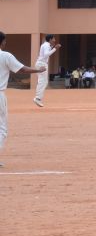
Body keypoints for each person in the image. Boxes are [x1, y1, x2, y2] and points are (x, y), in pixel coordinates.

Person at [1, 31, 47, 167]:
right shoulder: (5, 56)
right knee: (1, 128)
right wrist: (38, 70)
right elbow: (22, 70)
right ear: (2, 42)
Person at [33, 33, 61, 107]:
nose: (54, 40)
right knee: (43, 81)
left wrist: (53, 48)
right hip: (42, 64)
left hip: (41, 63)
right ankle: (37, 98)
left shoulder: (46, 45)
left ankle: (38, 98)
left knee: (43, 81)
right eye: (53, 39)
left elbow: (45, 54)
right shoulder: (46, 45)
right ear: (50, 39)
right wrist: (55, 48)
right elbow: (46, 55)